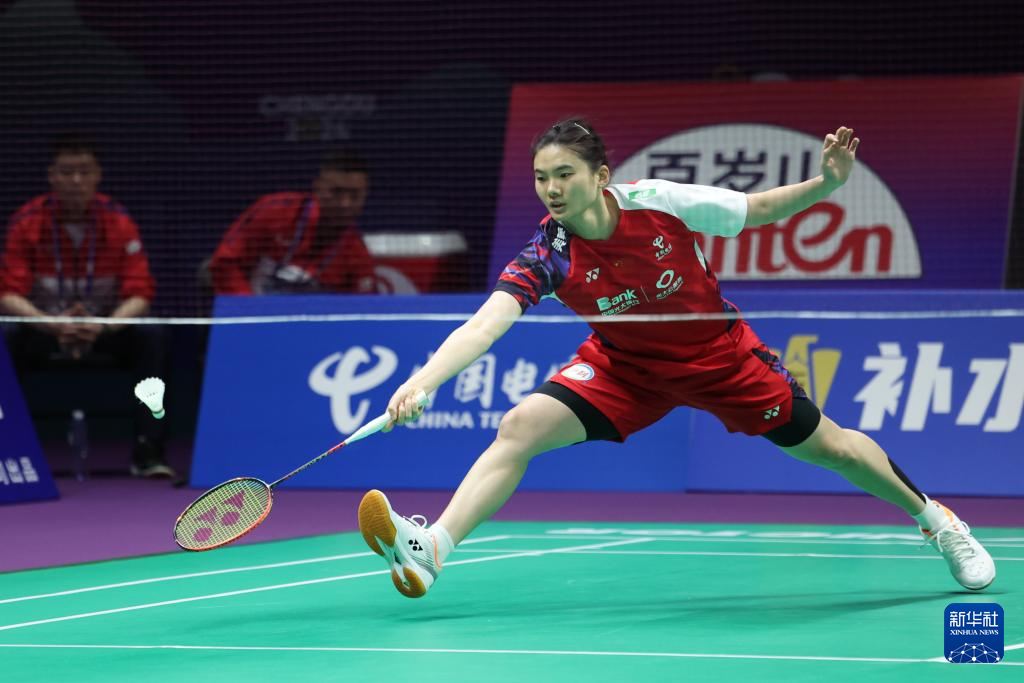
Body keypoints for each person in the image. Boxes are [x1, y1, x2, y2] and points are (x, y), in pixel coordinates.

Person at [356, 118, 996, 599]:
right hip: (626, 369)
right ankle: (432, 549)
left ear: (600, 176)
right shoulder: (548, 254)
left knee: (832, 448)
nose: (551, 189)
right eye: (542, 178)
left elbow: (758, 209)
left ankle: (939, 522)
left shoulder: (657, 202)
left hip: (720, 358)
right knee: (519, 427)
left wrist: (827, 183)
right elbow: (485, 324)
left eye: (565, 174)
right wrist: (423, 382)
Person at [0, 132, 173, 478]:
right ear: (52, 176)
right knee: (5, 335)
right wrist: (51, 324)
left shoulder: (119, 222)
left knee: (153, 335)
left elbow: (140, 292)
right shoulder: (27, 223)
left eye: (84, 172)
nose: (76, 180)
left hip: (104, 330)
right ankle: (8, 452)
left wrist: (104, 325)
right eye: (67, 172)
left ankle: (148, 450)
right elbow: (7, 293)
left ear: (97, 176)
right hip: (43, 330)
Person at [209, 150, 378, 295]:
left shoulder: (356, 253)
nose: (344, 204)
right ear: (318, 187)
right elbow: (225, 263)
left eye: (355, 196)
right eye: (336, 192)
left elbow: (361, 309)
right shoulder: (274, 212)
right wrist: (250, 310)